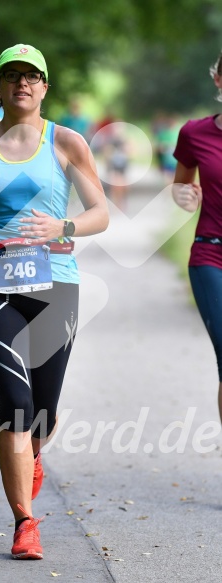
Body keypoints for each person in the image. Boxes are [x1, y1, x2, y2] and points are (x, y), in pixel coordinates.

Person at [0, 43, 108, 559]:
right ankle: (24, 522)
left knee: (44, 412)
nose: (22, 84)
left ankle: (30, 453)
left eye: (32, 76)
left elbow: (100, 212)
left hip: (56, 281)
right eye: (11, 76)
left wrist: (64, 225)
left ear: (45, 87)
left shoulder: (67, 142)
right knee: (16, 406)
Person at [172, 51, 222, 421]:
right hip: (211, 257)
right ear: (218, 80)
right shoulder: (194, 133)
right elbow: (181, 186)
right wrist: (185, 198)